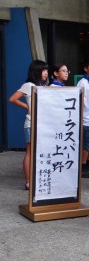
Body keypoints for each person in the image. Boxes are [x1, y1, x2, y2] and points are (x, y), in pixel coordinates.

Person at [9, 60, 49, 190]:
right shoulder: (29, 85)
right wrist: (27, 107)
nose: (46, 73)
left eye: (47, 70)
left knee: (39, 152)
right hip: (31, 124)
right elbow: (12, 98)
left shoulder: (42, 86)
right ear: (37, 71)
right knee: (30, 152)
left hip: (42, 124)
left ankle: (36, 179)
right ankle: (28, 182)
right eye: (44, 70)